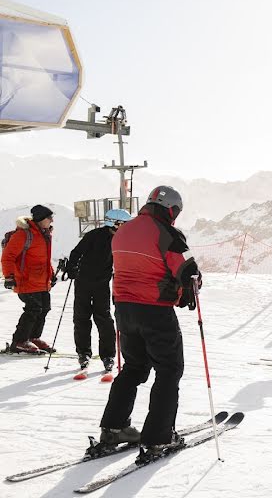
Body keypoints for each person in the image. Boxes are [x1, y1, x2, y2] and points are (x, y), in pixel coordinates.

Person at [95, 186, 200, 463]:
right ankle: (158, 438)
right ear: (171, 210)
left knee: (134, 367)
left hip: (124, 308)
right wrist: (192, 286)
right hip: (155, 310)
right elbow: (189, 270)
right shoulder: (167, 232)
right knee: (168, 371)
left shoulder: (124, 230)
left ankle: (114, 428)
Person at [66, 209, 133, 372]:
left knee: (103, 318)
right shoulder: (93, 236)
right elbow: (76, 253)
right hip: (83, 281)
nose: (127, 227)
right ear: (115, 223)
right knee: (81, 318)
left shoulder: (121, 240)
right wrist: (71, 268)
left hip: (102, 284)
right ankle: (83, 352)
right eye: (125, 224)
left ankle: (108, 355)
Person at [2, 205, 56, 354]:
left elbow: (44, 259)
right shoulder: (23, 235)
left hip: (42, 281)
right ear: (40, 219)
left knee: (44, 308)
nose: (52, 220)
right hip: (25, 279)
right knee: (33, 309)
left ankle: (33, 337)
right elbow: (8, 256)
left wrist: (51, 274)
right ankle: (19, 341)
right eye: (49, 217)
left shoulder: (44, 234)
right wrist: (9, 277)